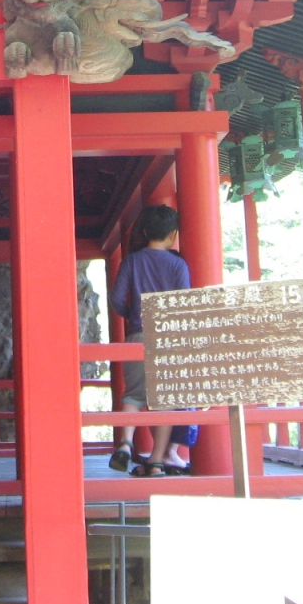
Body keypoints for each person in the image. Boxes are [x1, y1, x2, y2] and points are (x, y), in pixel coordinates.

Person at [107, 204, 199, 476]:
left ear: (145, 232)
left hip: (137, 335)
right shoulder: (177, 264)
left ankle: (125, 443)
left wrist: (130, 314)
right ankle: (157, 461)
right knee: (165, 400)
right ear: (173, 235)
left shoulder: (132, 261)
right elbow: (184, 303)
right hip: (168, 338)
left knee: (133, 395)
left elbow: (116, 298)